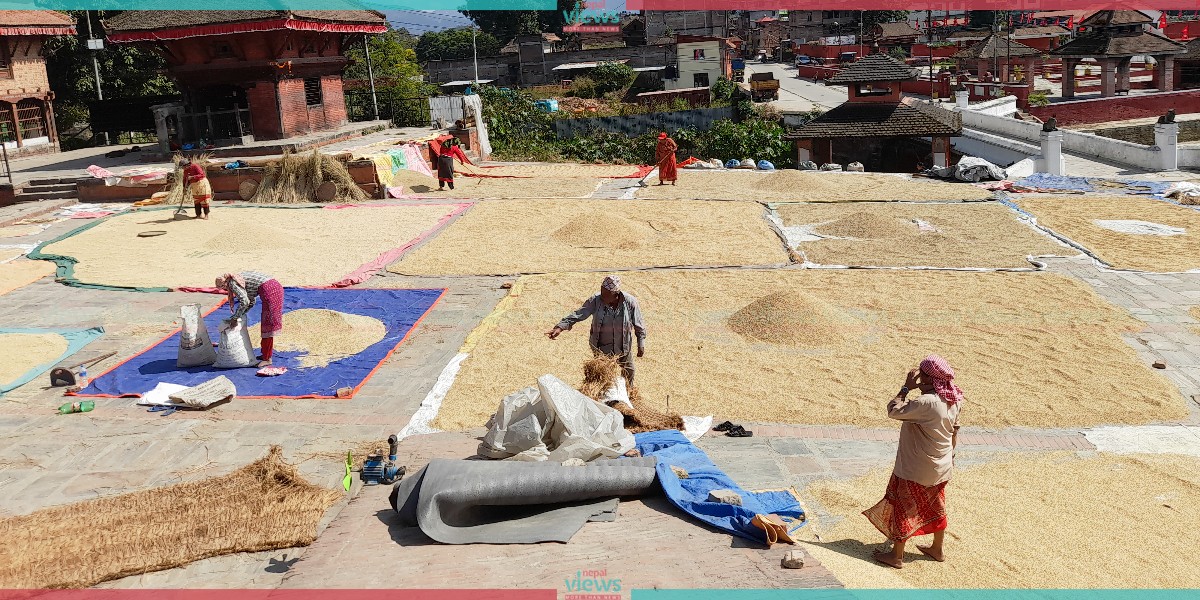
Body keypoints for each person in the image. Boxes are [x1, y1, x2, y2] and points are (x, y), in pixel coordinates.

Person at [863, 354, 963, 569]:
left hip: (917, 467)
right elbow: (955, 430)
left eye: (921, 373)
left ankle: (896, 556)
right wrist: (951, 456)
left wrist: (906, 388)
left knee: (904, 506)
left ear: (927, 378)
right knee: (936, 505)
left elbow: (894, 411)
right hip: (942, 465)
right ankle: (937, 549)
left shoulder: (926, 402)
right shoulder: (954, 398)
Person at [545, 275, 646, 385]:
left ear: (616, 294)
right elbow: (579, 314)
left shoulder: (630, 302)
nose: (602, 296)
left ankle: (627, 396)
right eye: (601, 291)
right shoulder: (595, 300)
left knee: (629, 372)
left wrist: (641, 343)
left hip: (623, 346)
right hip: (601, 348)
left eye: (606, 294)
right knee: (602, 377)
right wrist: (560, 327)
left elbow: (639, 324)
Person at [215, 271, 284, 368]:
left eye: (223, 289)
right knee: (266, 324)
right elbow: (251, 301)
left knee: (267, 325)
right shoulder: (237, 279)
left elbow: (245, 301)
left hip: (271, 290)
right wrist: (239, 315)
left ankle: (267, 359)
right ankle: (265, 354)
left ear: (224, 285)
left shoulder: (232, 283)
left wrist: (235, 318)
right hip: (273, 286)